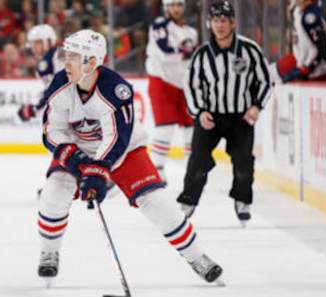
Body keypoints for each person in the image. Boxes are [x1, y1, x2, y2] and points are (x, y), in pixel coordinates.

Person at [37, 29, 223, 285]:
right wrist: (79, 162)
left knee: (156, 202)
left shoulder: (117, 90)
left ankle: (196, 256)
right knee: (53, 194)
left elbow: (116, 138)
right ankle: (49, 251)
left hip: (125, 152)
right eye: (65, 55)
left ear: (91, 62)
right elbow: (52, 131)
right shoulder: (60, 84)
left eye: (73, 56)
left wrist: (97, 171)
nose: (65, 62)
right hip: (78, 149)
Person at [176, 1, 272, 227]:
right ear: (210, 23)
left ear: (233, 23)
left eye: (224, 21)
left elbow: (266, 80)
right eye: (215, 21)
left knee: (243, 162)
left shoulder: (250, 50)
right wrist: (199, 112)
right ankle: (188, 201)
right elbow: (191, 85)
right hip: (210, 117)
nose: (219, 25)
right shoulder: (201, 55)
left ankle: (242, 200)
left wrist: (256, 106)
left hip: (240, 117)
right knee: (198, 161)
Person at [145, 0, 198, 183]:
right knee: (165, 127)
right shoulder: (159, 26)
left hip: (183, 84)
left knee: (190, 127)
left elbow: (191, 58)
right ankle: (157, 169)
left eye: (179, 5)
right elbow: (165, 53)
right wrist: (184, 52)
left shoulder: (191, 32)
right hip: (161, 81)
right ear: (166, 7)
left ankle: (193, 169)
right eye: (172, 5)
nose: (176, 8)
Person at [272, 0, 326, 83]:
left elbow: (320, 49)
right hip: (300, 62)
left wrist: (306, 68)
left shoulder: (312, 16)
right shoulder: (297, 11)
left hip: (319, 72)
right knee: (268, 75)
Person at [17, 24, 64, 121]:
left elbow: (59, 87)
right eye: (32, 43)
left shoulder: (58, 55)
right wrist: (35, 106)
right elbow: (51, 90)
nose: (33, 46)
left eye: (37, 42)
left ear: (49, 41)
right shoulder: (40, 65)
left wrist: (36, 109)